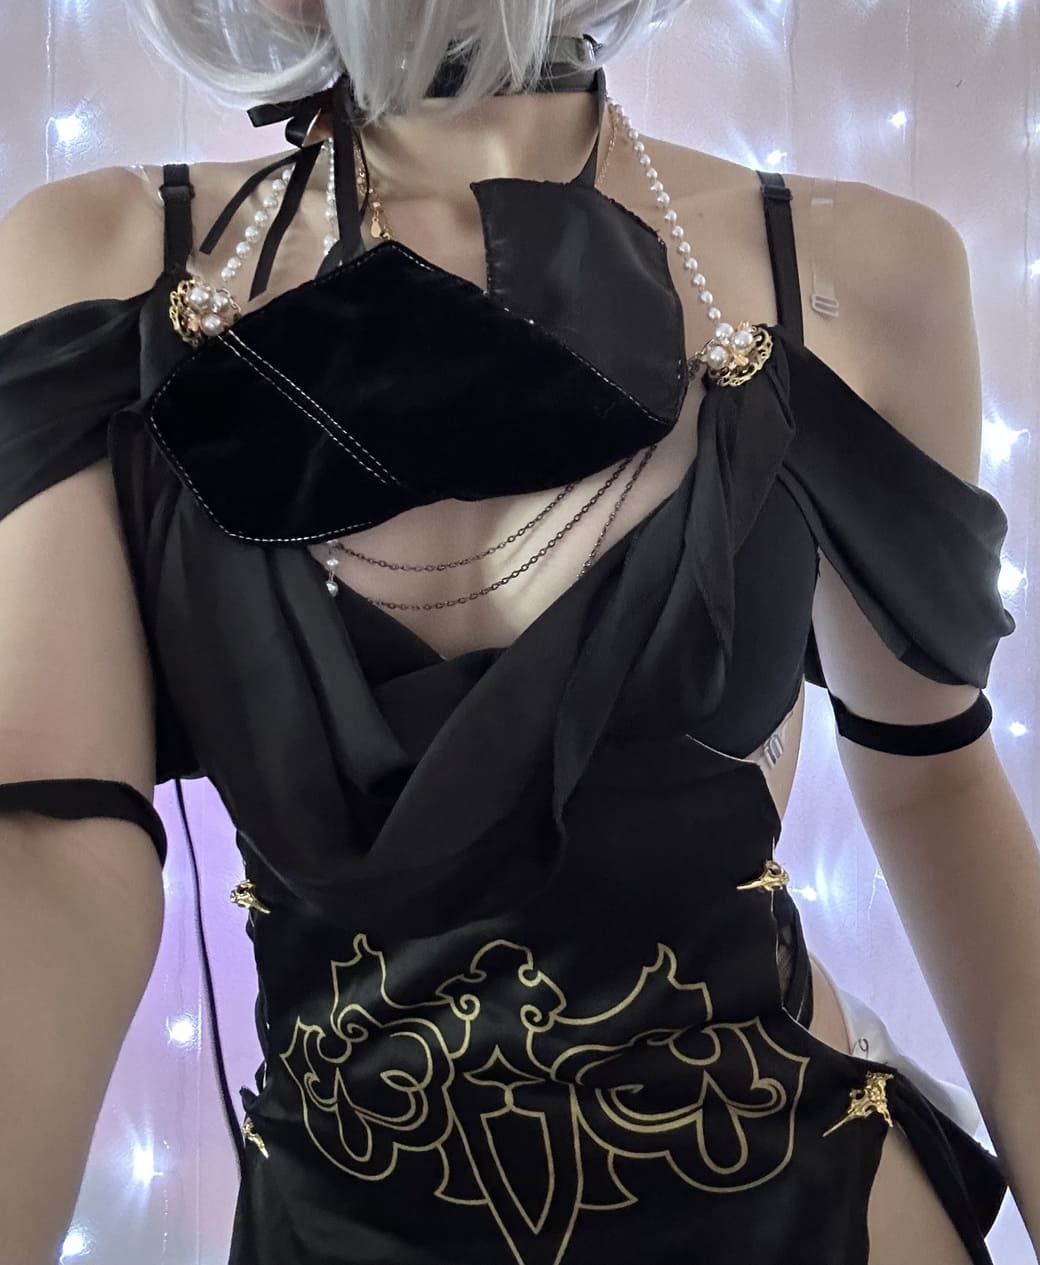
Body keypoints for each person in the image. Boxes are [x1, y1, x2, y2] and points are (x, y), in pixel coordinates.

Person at [0, 3, 1036, 1262]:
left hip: (802, 1197)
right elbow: (51, 843)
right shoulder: (108, 268)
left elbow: (934, 780)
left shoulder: (851, 267)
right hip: (346, 1222)